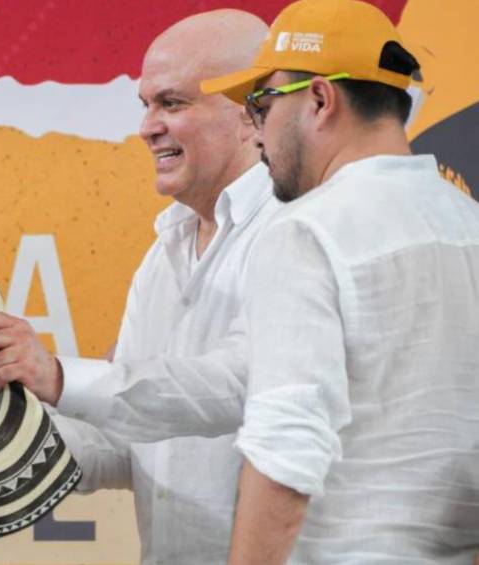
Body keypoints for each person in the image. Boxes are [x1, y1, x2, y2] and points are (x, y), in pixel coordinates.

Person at [0, 10, 276, 563]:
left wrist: (59, 375)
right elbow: (124, 442)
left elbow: (239, 387)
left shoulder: (295, 233)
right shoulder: (164, 251)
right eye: (146, 105)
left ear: (251, 113)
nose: (146, 127)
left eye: (173, 102)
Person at [197, 0, 479, 562]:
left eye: (261, 105)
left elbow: (284, 450)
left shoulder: (306, 232)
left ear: (321, 100)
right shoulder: (469, 226)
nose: (256, 135)